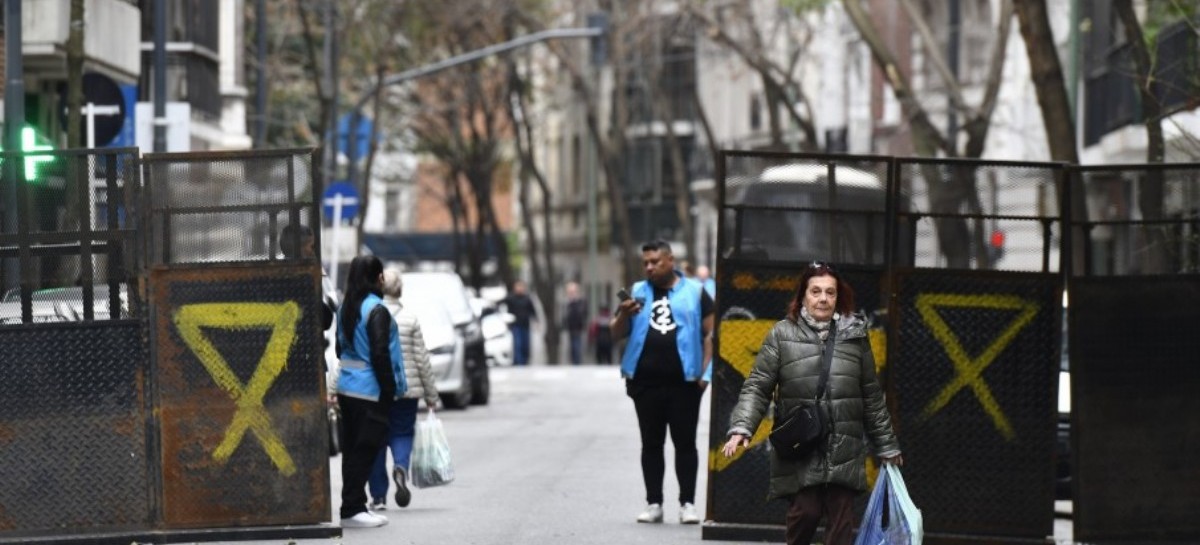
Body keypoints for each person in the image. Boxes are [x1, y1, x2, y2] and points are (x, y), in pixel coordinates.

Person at [721, 261, 903, 545]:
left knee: (841, 523)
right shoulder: (783, 334)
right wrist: (742, 427)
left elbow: (871, 394)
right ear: (803, 295)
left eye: (830, 292)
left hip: (845, 444)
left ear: (838, 297)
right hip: (801, 446)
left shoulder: (855, 335)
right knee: (806, 513)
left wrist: (887, 444)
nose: (823, 298)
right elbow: (758, 385)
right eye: (816, 291)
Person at [611, 240, 714, 525]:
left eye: (655, 261)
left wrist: (705, 376)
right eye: (645, 262)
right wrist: (623, 313)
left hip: (685, 384)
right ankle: (654, 502)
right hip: (645, 384)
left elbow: (712, 334)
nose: (649, 267)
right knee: (651, 444)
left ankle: (688, 504)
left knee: (685, 444)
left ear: (670, 260)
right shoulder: (637, 292)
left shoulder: (695, 291)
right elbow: (615, 333)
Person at [335, 255, 407, 529]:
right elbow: (380, 353)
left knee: (353, 450)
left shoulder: (346, 308)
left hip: (348, 386)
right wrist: (389, 391)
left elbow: (340, 350)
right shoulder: (377, 310)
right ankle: (353, 507)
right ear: (377, 278)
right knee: (365, 450)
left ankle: (353, 505)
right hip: (370, 390)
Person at [367, 269, 439, 511]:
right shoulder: (410, 318)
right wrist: (431, 394)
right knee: (402, 433)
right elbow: (421, 358)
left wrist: (335, 385)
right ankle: (400, 466)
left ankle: (378, 496)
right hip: (407, 389)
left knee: (375, 440)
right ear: (399, 290)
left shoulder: (369, 314)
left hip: (376, 388)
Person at [502, 280, 537, 366]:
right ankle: (518, 362)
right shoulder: (510, 298)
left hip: (525, 325)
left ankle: (525, 361)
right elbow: (502, 305)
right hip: (515, 325)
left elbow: (532, 311)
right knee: (518, 344)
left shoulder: (527, 298)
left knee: (525, 345)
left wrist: (536, 321)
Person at [564, 281, 588, 365]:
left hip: (578, 327)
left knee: (577, 345)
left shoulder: (580, 301)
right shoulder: (567, 303)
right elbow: (565, 315)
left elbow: (582, 313)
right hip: (570, 327)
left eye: (572, 292)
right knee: (572, 346)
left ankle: (577, 362)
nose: (571, 294)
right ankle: (574, 361)